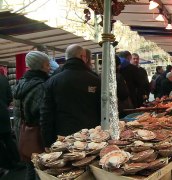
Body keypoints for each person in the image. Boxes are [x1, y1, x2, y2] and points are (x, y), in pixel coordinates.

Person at [40, 44, 101, 148]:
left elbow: (46, 114)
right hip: (91, 136)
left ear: (66, 57)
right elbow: (103, 109)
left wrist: (47, 142)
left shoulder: (53, 80)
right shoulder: (95, 79)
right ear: (83, 57)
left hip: (63, 136)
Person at [13, 51, 50, 180]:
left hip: (23, 132)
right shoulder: (41, 85)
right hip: (37, 134)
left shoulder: (20, 83)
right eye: (47, 64)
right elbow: (42, 114)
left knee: (30, 166)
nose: (49, 67)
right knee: (41, 169)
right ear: (40, 66)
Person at [0, 72, 20, 172]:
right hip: (3, 112)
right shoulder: (3, 78)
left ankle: (7, 164)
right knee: (8, 138)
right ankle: (17, 160)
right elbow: (9, 97)